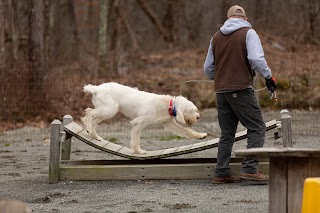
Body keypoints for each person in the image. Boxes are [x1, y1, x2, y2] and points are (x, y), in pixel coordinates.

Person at [203, 5, 277, 183]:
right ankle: (250, 169)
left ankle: (221, 173)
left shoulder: (216, 37)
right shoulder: (249, 33)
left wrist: (220, 77)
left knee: (227, 133)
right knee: (257, 127)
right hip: (240, 89)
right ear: (244, 18)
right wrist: (268, 77)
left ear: (227, 18)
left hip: (221, 90)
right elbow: (256, 58)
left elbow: (207, 69)